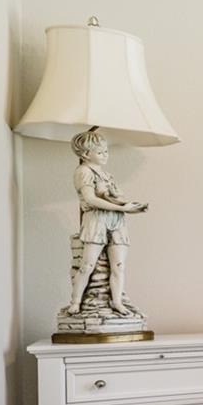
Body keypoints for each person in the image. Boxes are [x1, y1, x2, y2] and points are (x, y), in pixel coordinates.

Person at [63, 128, 147, 317]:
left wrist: (128, 205)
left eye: (106, 151)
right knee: (87, 264)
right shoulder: (83, 171)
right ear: (85, 154)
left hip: (116, 220)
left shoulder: (106, 174)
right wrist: (121, 207)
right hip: (96, 219)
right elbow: (90, 199)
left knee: (118, 265)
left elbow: (114, 197)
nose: (105, 155)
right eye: (100, 152)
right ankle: (76, 301)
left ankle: (116, 301)